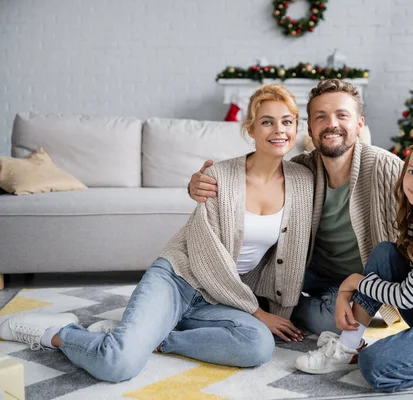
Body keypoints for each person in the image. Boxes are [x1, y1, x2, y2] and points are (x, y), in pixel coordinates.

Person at [0, 84, 314, 382]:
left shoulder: (302, 179)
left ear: (297, 127)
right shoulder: (218, 177)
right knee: (116, 364)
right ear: (251, 129)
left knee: (257, 346)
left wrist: (278, 310)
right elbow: (210, 263)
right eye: (267, 122)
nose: (279, 130)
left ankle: (158, 337)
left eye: (287, 122)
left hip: (223, 298)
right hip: (178, 280)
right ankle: (59, 332)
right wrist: (259, 312)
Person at [188, 79, 413, 335]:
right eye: (320, 117)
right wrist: (200, 184)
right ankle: (249, 305)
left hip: (366, 280)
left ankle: (274, 309)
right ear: (309, 129)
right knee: (268, 279)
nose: (331, 124)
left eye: (342, 115)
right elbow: (250, 183)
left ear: (359, 124)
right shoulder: (300, 170)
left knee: (337, 323)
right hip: (308, 271)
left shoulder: (388, 168)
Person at [294, 135, 413, 391]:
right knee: (386, 252)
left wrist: (354, 283)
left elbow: (408, 297)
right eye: (412, 172)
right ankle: (348, 345)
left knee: (374, 365)